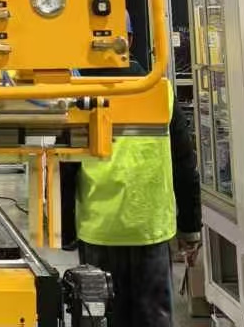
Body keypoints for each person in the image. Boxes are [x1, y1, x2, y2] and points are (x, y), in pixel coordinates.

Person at [72, 72, 202, 327]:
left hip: (99, 229)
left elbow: (66, 167)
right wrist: (190, 228)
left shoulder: (80, 93)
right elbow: (184, 164)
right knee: (153, 319)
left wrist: (65, 231)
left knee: (100, 317)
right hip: (149, 229)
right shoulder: (160, 91)